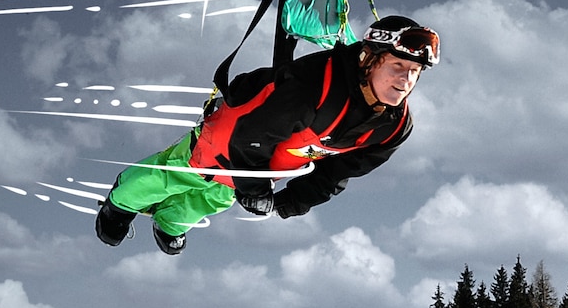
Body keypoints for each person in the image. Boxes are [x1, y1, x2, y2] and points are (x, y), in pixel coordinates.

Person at [95, 16, 439, 255]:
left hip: (268, 162)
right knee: (175, 176)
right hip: (233, 137)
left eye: (414, 72)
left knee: (216, 198)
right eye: (397, 66)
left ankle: (169, 222)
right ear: (369, 59)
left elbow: (338, 173)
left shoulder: (393, 126)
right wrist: (255, 189)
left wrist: (291, 202)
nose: (406, 80)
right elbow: (250, 138)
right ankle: (120, 203)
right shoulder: (314, 86)